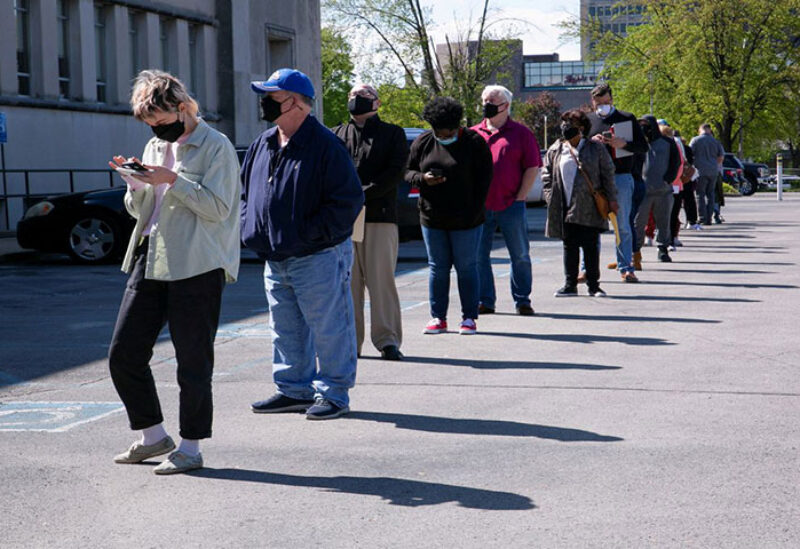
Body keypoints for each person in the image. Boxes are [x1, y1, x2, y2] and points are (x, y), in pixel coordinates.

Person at [107, 70, 241, 475]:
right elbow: (142, 211)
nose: (157, 131)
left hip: (198, 264)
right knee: (123, 354)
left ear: (183, 108)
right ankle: (153, 437)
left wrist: (172, 180)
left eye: (162, 123)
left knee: (193, 361)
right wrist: (135, 186)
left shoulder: (215, 147)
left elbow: (219, 209)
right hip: (152, 256)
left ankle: (191, 448)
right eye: (151, 125)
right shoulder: (152, 145)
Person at [241, 69, 364, 420]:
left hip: (317, 256)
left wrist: (308, 235)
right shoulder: (263, 142)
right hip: (275, 256)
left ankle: (335, 394)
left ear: (294, 102)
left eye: (271, 96)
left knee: (329, 326)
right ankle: (294, 389)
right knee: (285, 328)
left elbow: (347, 203)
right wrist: (250, 229)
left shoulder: (325, 145)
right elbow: (247, 193)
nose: (263, 103)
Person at [406, 97, 493, 335]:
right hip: (432, 218)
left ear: (457, 127)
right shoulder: (423, 141)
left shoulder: (475, 142)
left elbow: (485, 180)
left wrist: (474, 209)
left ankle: (469, 318)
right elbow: (407, 171)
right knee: (438, 268)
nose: (443, 137)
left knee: (466, 267)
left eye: (448, 133)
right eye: (439, 133)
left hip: (467, 219)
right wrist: (422, 179)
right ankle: (438, 317)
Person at [333, 84, 408, 361]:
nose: (355, 99)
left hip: (379, 215)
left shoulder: (392, 134)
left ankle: (387, 340)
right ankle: (351, 342)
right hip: (345, 220)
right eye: (351, 96)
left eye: (362, 96)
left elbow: (395, 172)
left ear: (376, 103)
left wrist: (360, 194)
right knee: (348, 284)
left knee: (381, 281)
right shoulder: (336, 134)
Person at [471, 85, 541, 316]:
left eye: (492, 101)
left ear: (506, 106)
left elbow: (532, 167)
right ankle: (485, 300)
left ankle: (522, 299)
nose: (486, 105)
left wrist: (521, 196)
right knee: (479, 255)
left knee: (519, 254)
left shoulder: (521, 133)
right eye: (484, 101)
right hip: (480, 206)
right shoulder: (472, 134)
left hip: (511, 204)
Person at [543, 109, 618, 297]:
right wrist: (550, 195)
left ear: (582, 128)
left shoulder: (595, 148)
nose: (565, 127)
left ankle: (594, 285)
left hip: (589, 205)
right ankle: (570, 284)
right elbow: (546, 173)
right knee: (569, 245)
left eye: (570, 123)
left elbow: (608, 174)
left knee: (590, 245)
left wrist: (612, 199)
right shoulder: (556, 148)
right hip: (564, 205)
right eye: (564, 123)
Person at [587, 83, 649, 283]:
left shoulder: (626, 118)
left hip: (620, 175)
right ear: (593, 102)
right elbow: (578, 148)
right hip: (595, 178)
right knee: (590, 226)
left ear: (612, 100)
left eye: (606, 102)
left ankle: (626, 267)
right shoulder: (589, 120)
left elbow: (643, 147)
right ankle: (586, 269)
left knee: (622, 225)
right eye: (598, 103)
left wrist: (623, 144)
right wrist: (591, 141)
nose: (602, 106)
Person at [634, 116, 680, 263]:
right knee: (638, 222)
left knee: (664, 222)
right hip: (642, 190)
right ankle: (635, 250)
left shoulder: (668, 143)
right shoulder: (639, 143)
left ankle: (663, 249)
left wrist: (668, 179)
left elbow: (676, 162)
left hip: (663, 190)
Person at [689, 123, 724, 225]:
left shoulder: (695, 140)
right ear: (709, 130)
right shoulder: (716, 142)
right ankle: (709, 218)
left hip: (700, 170)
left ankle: (702, 217)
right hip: (713, 170)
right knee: (711, 194)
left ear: (701, 130)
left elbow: (690, 154)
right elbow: (721, 157)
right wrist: (713, 164)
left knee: (700, 194)